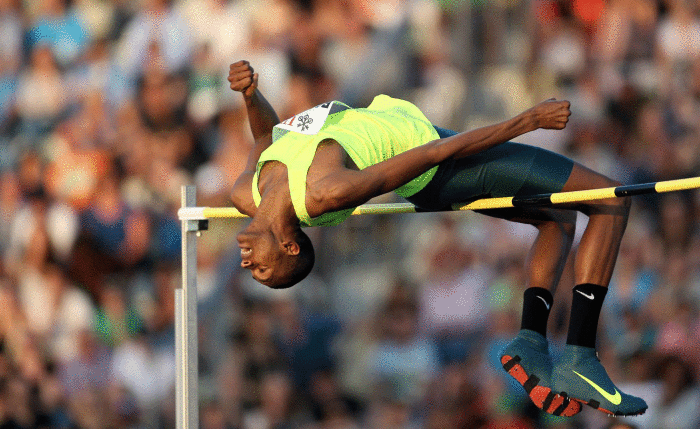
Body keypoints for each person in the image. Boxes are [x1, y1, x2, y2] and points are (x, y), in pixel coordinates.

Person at [227, 60, 647, 417]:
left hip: (423, 134)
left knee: (556, 220)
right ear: (289, 246)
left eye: (254, 269)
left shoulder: (247, 192)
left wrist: (250, 96)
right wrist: (528, 120)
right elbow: (434, 155)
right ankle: (579, 356)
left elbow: (266, 138)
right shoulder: (326, 193)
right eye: (261, 269)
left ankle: (531, 342)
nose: (247, 264)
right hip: (443, 165)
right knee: (610, 198)